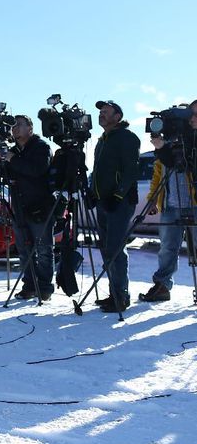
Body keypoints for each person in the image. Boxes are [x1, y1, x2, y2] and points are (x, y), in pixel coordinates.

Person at [0, 115, 55, 300]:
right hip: (19, 206)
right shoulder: (12, 151)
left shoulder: (41, 147)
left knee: (43, 249)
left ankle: (44, 287)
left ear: (30, 128)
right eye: (13, 126)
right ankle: (29, 285)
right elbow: (6, 175)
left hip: (41, 206)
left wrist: (12, 159)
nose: (15, 128)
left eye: (19, 125)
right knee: (23, 249)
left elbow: (37, 170)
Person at [142, 100, 197, 302]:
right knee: (167, 248)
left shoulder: (193, 144)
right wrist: (152, 199)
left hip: (194, 204)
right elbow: (159, 174)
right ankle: (162, 286)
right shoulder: (168, 147)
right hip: (170, 204)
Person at [90, 100, 140, 313]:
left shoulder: (127, 138)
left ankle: (121, 296)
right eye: (100, 112)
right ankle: (114, 293)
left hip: (119, 202)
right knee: (107, 248)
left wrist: (118, 196)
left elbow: (131, 170)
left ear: (117, 116)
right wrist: (93, 193)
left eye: (106, 112)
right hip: (103, 201)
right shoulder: (103, 139)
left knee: (115, 249)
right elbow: (98, 171)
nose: (101, 114)